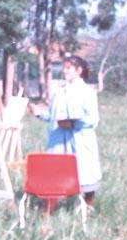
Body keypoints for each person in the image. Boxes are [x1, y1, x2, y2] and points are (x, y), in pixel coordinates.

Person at [31, 55, 101, 206]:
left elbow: (93, 119)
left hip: (79, 140)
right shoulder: (59, 91)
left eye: (68, 68)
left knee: (85, 176)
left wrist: (73, 123)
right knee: (54, 175)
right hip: (57, 141)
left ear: (79, 70)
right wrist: (38, 113)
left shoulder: (87, 92)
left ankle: (87, 209)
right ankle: (49, 211)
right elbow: (53, 115)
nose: (65, 71)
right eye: (64, 68)